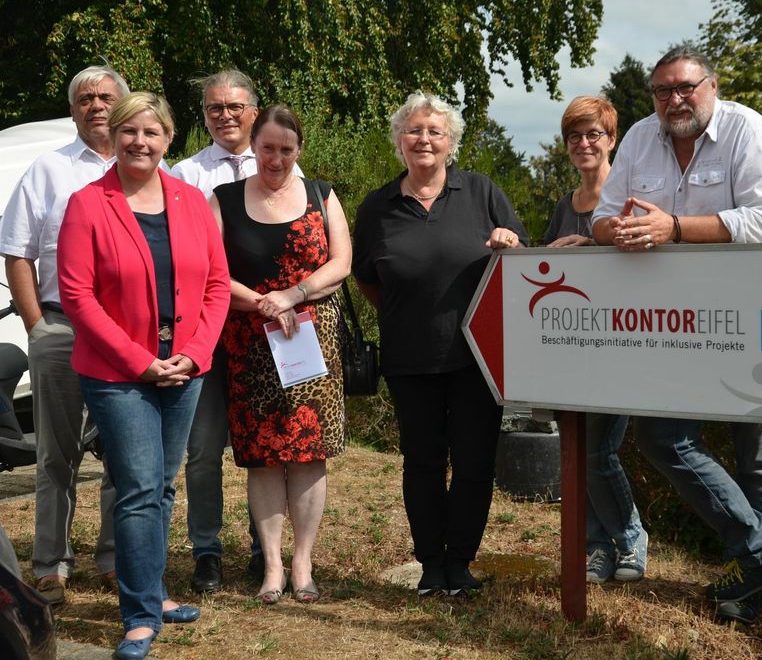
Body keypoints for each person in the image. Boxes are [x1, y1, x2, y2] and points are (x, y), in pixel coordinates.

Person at [591, 45, 762, 623]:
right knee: (660, 438)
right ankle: (760, 552)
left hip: (754, 316)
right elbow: (604, 215)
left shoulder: (747, 130)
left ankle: (746, 592)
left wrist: (673, 228)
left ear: (712, 84)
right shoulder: (637, 138)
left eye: (685, 87)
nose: (674, 100)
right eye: (662, 91)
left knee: (758, 457)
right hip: (675, 325)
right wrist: (616, 233)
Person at [57, 92, 230, 660]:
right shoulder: (88, 203)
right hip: (117, 373)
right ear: (115, 136)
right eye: (129, 131)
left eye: (151, 133)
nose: (139, 142)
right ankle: (138, 615)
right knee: (136, 489)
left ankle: (153, 594)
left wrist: (197, 353)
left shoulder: (190, 200)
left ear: (168, 139)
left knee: (161, 486)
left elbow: (216, 286)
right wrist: (139, 361)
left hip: (184, 368)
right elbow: (78, 298)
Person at [353, 91, 528, 596]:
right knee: (423, 463)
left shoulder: (481, 192)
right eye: (414, 130)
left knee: (475, 463)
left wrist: (508, 243)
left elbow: (520, 254)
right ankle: (431, 564)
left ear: (450, 142)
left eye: (434, 130)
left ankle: (461, 562)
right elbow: (369, 279)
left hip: (479, 356)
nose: (424, 138)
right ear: (399, 142)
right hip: (410, 357)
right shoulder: (378, 206)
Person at [0, 64, 128, 604]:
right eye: (85, 98)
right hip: (62, 328)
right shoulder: (47, 169)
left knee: (123, 451)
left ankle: (116, 559)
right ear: (72, 110)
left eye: (106, 96)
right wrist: (37, 325)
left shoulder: (146, 165)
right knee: (56, 454)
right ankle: (50, 563)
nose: (96, 105)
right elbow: (16, 252)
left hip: (129, 335)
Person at [209, 104, 350, 604]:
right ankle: (271, 567)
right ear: (253, 146)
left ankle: (303, 564)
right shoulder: (223, 199)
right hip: (248, 340)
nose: (276, 157)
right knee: (263, 457)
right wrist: (262, 303)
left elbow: (342, 261)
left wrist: (294, 295)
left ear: (299, 150)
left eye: (286, 149)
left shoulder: (321, 194)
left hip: (312, 337)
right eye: (267, 147)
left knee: (308, 454)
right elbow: (210, 270)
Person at [170, 70, 299, 591]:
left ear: (253, 110)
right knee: (202, 448)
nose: (225, 115)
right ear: (203, 115)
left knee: (264, 446)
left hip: (265, 334)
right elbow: (186, 258)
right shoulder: (183, 173)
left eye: (235, 106)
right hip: (203, 333)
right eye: (214, 108)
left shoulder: (280, 160)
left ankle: (260, 548)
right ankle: (206, 552)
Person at [544, 96, 649, 584]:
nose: (583, 144)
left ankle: (631, 539)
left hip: (620, 348)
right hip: (571, 350)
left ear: (611, 140)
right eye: (574, 136)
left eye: (593, 135)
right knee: (575, 447)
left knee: (598, 451)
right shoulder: (564, 206)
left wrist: (593, 245)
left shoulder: (625, 197)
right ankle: (596, 548)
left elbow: (638, 267)